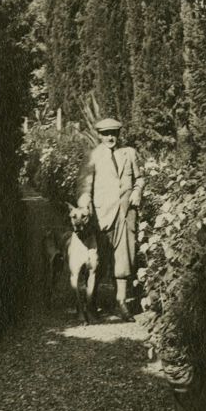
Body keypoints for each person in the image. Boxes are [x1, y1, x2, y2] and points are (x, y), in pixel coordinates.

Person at [78, 117, 144, 321]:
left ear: (119, 134)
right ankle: (92, 302)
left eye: (114, 133)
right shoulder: (93, 156)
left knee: (125, 258)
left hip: (125, 213)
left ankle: (121, 303)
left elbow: (140, 178)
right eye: (106, 133)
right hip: (102, 215)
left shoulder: (129, 153)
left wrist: (137, 192)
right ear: (99, 135)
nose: (110, 137)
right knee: (99, 260)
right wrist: (85, 203)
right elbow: (83, 185)